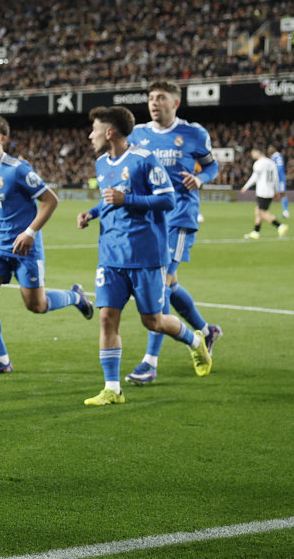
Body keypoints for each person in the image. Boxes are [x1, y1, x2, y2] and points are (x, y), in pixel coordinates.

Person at [77, 106, 213, 406]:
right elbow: (109, 200)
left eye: (94, 130)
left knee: (153, 321)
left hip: (145, 255)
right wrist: (92, 213)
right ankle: (112, 389)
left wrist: (127, 199)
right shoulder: (101, 164)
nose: (90, 136)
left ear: (110, 132)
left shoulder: (144, 160)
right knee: (107, 318)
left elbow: (168, 199)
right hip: (111, 254)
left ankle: (195, 340)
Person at [0, 112, 94, 375]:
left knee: (36, 306)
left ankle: (76, 296)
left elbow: (50, 200)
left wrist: (30, 232)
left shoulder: (17, 169)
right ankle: (1, 360)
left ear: (2, 138)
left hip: (24, 248)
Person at [123, 81, 223, 386]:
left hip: (179, 218)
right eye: (151, 98)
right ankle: (206, 331)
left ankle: (150, 363)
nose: (154, 103)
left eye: (161, 98)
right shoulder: (137, 134)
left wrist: (201, 179)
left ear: (175, 103)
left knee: (161, 286)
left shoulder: (194, 133)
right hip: (149, 220)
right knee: (172, 283)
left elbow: (212, 166)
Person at [241, 146, 289, 239]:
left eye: (253, 153)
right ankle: (256, 232)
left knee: (263, 212)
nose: (252, 155)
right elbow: (276, 178)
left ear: (258, 152)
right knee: (258, 210)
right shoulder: (271, 162)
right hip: (270, 191)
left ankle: (280, 226)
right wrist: (275, 190)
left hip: (262, 191)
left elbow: (254, 177)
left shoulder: (258, 163)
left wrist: (245, 187)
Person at [268, 144, 288, 219]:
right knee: (271, 194)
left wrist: (275, 176)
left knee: (282, 194)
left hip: (279, 178)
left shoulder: (278, 156)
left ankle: (286, 212)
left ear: (274, 148)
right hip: (274, 179)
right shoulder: (273, 157)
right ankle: (266, 212)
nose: (269, 149)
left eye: (270, 148)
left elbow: (279, 167)